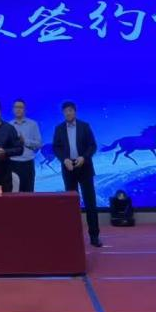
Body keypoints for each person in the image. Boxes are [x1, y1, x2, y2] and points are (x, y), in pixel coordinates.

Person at [52, 101, 102, 247]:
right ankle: (72, 236)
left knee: (90, 202)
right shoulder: (59, 128)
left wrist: (84, 157)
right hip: (68, 168)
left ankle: (94, 236)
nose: (68, 113)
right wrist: (64, 159)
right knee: (71, 204)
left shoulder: (84, 126)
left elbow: (92, 146)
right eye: (65, 111)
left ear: (75, 111)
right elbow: (56, 148)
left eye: (70, 110)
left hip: (84, 167)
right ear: (63, 113)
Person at [9, 99, 41, 193]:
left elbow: (39, 144)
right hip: (13, 164)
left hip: (28, 164)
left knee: (28, 193)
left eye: (20, 107)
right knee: (14, 193)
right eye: (16, 107)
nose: (18, 109)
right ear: (13, 109)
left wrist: (25, 141)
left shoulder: (33, 124)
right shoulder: (9, 126)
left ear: (25, 109)